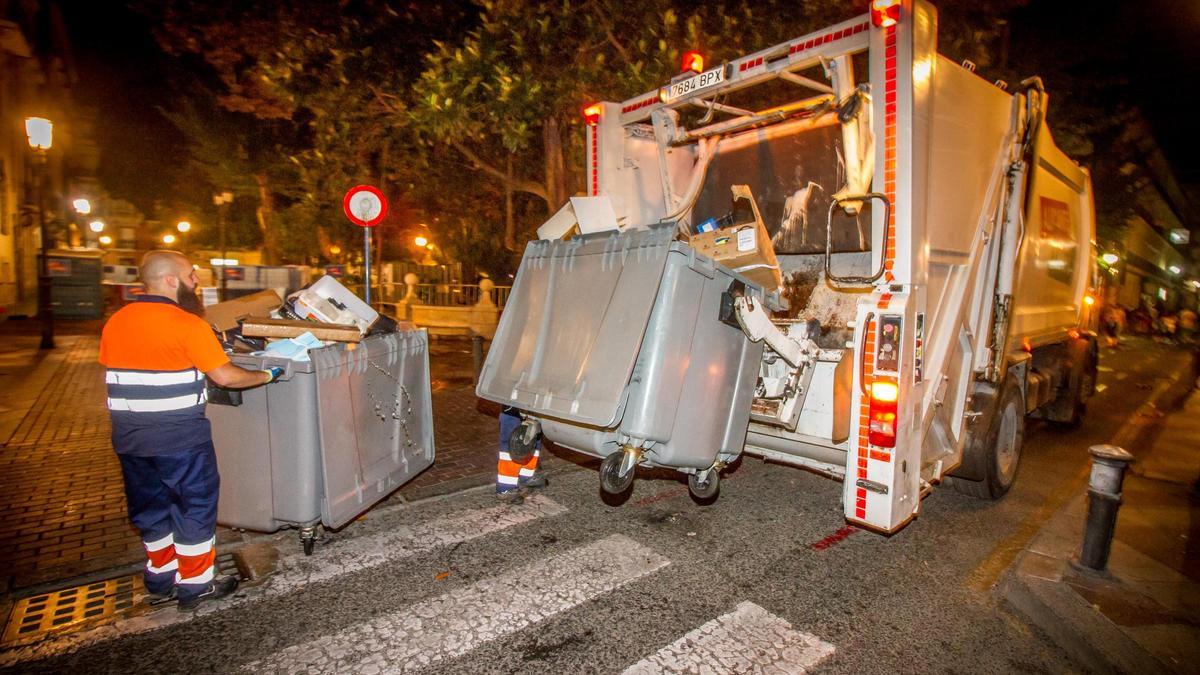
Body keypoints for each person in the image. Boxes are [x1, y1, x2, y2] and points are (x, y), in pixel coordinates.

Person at [100, 251, 283, 611]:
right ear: (170, 281)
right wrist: (267, 375)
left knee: (150, 510)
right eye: (191, 275)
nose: (196, 281)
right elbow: (226, 377)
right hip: (180, 438)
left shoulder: (117, 322)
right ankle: (197, 583)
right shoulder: (186, 324)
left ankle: (160, 577)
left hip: (130, 439)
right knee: (193, 507)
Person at [496, 406, 548, 504]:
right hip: (513, 401)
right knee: (514, 440)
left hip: (532, 399)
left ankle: (526, 476)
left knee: (533, 433)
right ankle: (505, 488)